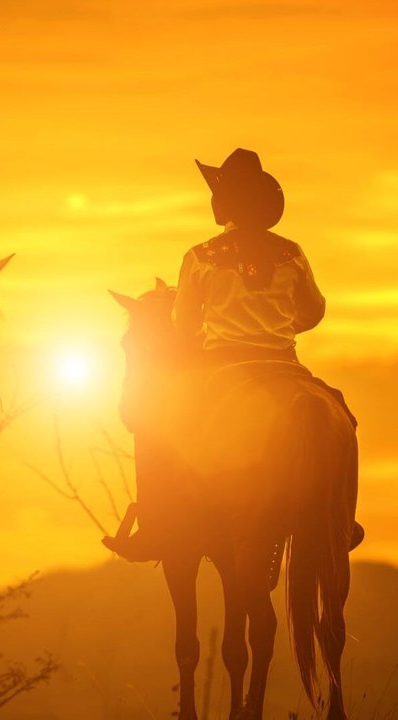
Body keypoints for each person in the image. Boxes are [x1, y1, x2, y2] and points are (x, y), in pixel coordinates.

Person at [104, 148, 363, 561]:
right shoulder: (292, 253)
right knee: (341, 414)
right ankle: (342, 517)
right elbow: (313, 311)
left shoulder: (201, 256)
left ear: (222, 202)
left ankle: (155, 525)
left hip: (223, 366)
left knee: (158, 425)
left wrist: (211, 331)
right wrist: (279, 325)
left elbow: (184, 323)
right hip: (286, 365)